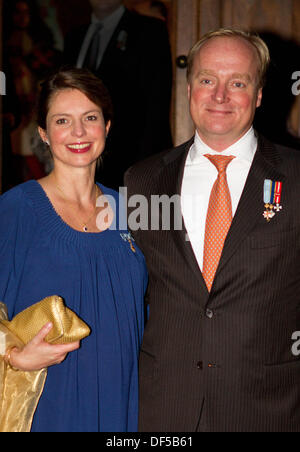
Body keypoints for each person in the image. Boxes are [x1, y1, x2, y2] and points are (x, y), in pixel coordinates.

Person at [125, 28, 300, 432]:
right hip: (166, 408)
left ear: (258, 95)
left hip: (270, 410)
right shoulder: (143, 181)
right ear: (189, 88)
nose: (220, 96)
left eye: (237, 82)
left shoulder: (296, 177)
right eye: (208, 80)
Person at [0, 68, 148, 432]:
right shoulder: (15, 210)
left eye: (90, 118)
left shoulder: (134, 211)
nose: (78, 132)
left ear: (107, 126)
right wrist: (12, 354)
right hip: (48, 402)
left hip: (125, 400)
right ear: (43, 134)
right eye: (62, 120)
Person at [63, 0, 173, 189]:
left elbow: (156, 110)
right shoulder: (74, 37)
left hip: (133, 171)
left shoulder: (150, 31)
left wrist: (141, 176)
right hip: (81, 172)